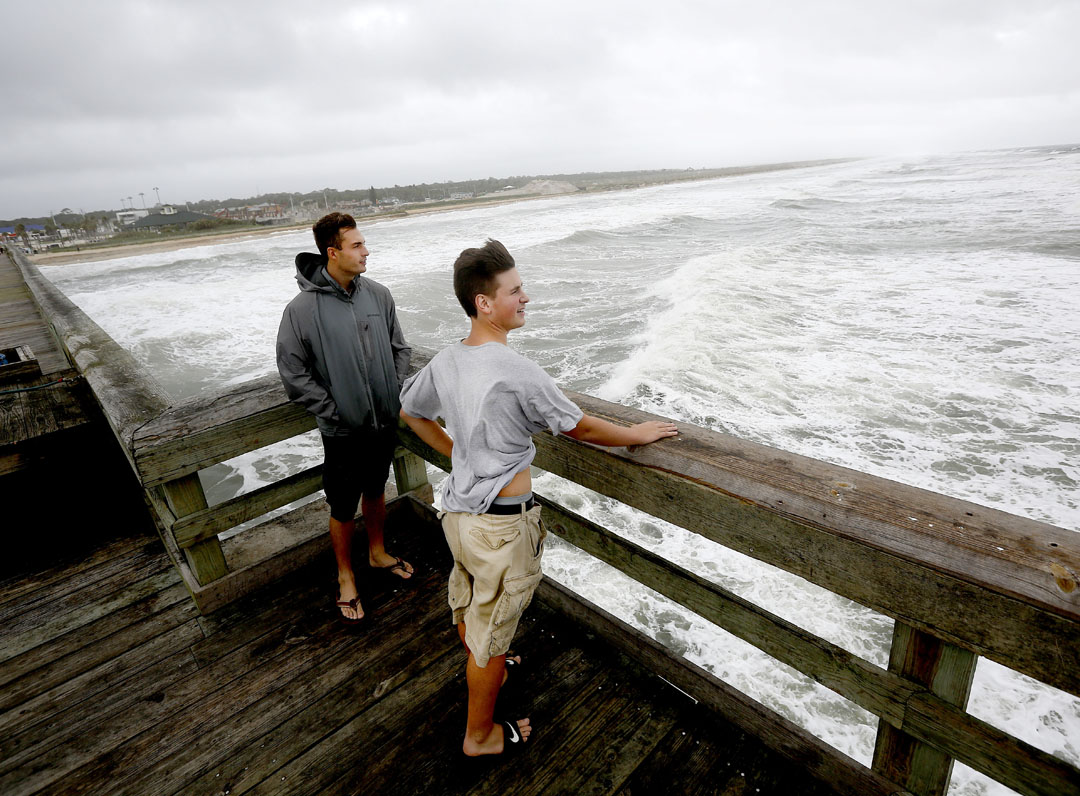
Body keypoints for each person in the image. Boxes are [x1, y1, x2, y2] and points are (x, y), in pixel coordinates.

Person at [399, 239, 677, 756]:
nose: (526, 298)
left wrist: (458, 450)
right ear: (484, 303)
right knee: (489, 637)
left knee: (472, 608)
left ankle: (492, 670)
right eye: (516, 290)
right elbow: (579, 427)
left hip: (459, 515)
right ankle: (478, 736)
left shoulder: (448, 359)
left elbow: (411, 413)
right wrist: (635, 434)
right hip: (502, 527)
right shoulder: (516, 370)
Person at [276, 212, 414, 624]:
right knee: (341, 503)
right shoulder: (301, 310)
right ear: (332, 253)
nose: (366, 251)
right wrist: (336, 411)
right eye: (356, 245)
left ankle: (376, 552)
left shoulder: (378, 295)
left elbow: (400, 349)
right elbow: (293, 372)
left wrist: (390, 390)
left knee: (375, 489)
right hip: (341, 430)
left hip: (383, 423)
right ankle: (345, 574)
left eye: (364, 244)